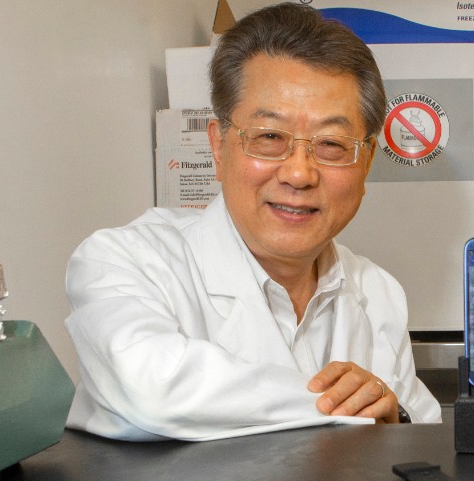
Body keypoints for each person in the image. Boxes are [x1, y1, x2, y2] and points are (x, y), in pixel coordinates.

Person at [64, 3, 440, 441]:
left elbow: (422, 435)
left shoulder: (379, 292)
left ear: (367, 161)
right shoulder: (124, 261)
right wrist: (353, 408)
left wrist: (397, 418)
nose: (299, 174)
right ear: (219, 148)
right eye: (269, 138)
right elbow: (154, 388)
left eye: (332, 144)